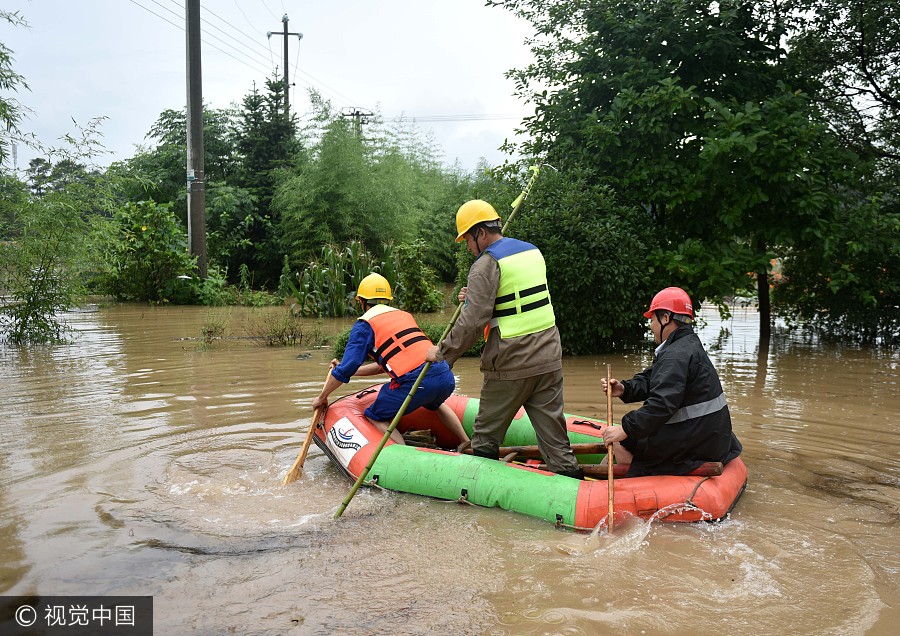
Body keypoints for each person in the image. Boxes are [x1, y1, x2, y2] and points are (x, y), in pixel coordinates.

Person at [425, 199, 583, 479]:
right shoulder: (531, 251)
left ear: (481, 233)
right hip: (548, 358)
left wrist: (443, 354)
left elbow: (473, 322)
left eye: (467, 240)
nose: (468, 247)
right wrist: (472, 293)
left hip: (510, 363)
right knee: (556, 443)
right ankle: (572, 483)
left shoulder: (486, 264)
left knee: (485, 438)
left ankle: (482, 503)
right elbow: (516, 297)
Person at [312, 273, 468, 448]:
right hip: (444, 376)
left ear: (362, 301)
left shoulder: (364, 325)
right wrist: (346, 368)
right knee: (437, 404)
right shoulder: (403, 315)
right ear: (387, 300)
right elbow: (381, 367)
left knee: (374, 415)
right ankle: (465, 441)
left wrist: (322, 397)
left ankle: (405, 455)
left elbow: (346, 370)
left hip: (416, 382)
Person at [600, 286, 743, 477]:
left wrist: (625, 428)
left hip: (695, 443)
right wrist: (625, 389)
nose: (651, 326)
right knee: (632, 431)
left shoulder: (675, 354)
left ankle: (634, 475)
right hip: (711, 438)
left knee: (616, 439)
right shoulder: (688, 344)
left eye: (652, 320)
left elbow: (662, 403)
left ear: (665, 318)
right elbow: (655, 378)